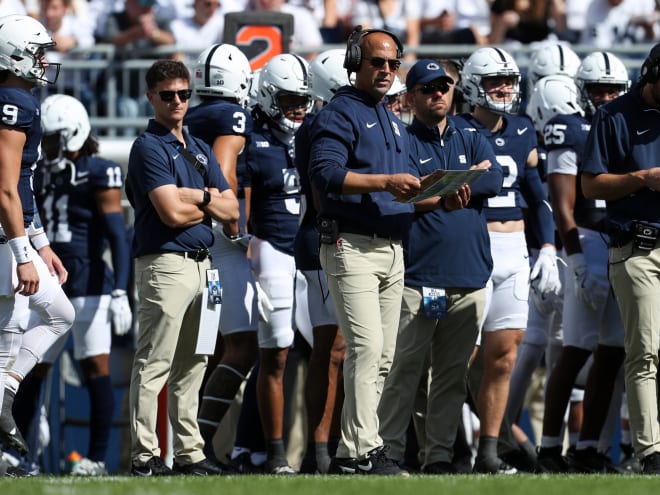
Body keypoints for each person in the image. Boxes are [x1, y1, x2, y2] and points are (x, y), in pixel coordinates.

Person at [378, 58, 503, 475]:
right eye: (428, 88)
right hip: (418, 273)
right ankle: (389, 454)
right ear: (410, 97)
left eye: (444, 86)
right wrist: (449, 188)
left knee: (450, 377)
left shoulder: (471, 131)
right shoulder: (401, 138)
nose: (438, 93)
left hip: (468, 272)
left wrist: (436, 186)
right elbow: (403, 193)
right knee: (403, 373)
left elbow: (494, 178)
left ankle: (439, 458)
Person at [307, 26, 421, 476]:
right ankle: (360, 450)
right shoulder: (340, 112)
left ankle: (355, 451)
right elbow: (326, 172)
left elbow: (405, 184)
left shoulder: (393, 118)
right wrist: (385, 182)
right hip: (351, 243)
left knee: (383, 355)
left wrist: (444, 191)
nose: (387, 71)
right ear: (356, 63)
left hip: (391, 245)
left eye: (394, 63)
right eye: (378, 62)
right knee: (367, 348)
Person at [125, 59, 239, 476]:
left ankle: (189, 453)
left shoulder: (198, 145)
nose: (177, 102)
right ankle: (144, 455)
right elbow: (170, 214)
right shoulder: (147, 146)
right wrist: (206, 200)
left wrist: (198, 199)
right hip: (166, 263)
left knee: (195, 362)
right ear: (151, 97)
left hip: (204, 266)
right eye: (168, 95)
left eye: (183, 94)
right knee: (154, 362)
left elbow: (231, 210)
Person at [453, 46, 561, 474]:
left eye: (509, 81)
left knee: (504, 357)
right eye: (496, 80)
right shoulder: (456, 128)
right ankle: (450, 447)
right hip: (471, 247)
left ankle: (489, 450)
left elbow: (538, 197)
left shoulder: (522, 129)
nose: (504, 88)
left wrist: (548, 247)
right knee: (459, 358)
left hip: (514, 249)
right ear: (475, 84)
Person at [14, 94, 132, 476]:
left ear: (75, 134)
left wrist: (120, 291)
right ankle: (19, 454)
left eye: (53, 140)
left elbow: (117, 234)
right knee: (31, 371)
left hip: (92, 283)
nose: (47, 148)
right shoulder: (40, 172)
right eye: (44, 140)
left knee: (95, 370)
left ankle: (96, 458)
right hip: (50, 282)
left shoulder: (99, 171)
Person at [535, 53, 630, 473]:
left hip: (622, 241)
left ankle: (589, 447)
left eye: (612, 90)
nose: (605, 97)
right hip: (588, 241)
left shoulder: (629, 123)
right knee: (575, 349)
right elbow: (562, 202)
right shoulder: (570, 128)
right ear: (581, 90)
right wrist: (574, 257)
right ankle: (550, 448)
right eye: (597, 90)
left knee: (612, 351)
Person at [580, 42, 660, 475]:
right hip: (638, 247)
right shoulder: (614, 115)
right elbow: (591, 187)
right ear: (651, 74)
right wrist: (643, 178)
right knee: (645, 350)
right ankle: (651, 452)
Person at [0, 14, 75, 461]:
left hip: (18, 235)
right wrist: (22, 254)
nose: (43, 61)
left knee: (59, 312)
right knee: (8, 343)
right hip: (5, 242)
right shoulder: (14, 101)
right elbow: (6, 188)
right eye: (36, 52)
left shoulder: (16, 98)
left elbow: (22, 187)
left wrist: (41, 242)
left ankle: (4, 400)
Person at [183, 43, 259, 467]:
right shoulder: (231, 116)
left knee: (208, 352)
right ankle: (199, 441)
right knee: (243, 346)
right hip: (218, 237)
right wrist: (235, 224)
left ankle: (192, 442)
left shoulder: (191, 116)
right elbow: (224, 168)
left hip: (191, 235)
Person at [245, 52, 313, 475]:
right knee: (276, 353)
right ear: (269, 98)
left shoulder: (314, 134)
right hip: (270, 247)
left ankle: (320, 449)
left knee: (328, 351)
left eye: (303, 100)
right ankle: (272, 452)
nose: (299, 108)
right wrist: (248, 245)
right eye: (289, 100)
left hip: (309, 249)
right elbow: (243, 203)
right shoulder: (253, 140)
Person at [294, 48, 348, 474]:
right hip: (330, 238)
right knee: (332, 348)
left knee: (345, 349)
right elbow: (324, 187)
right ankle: (323, 448)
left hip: (342, 236)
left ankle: (337, 445)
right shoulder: (320, 124)